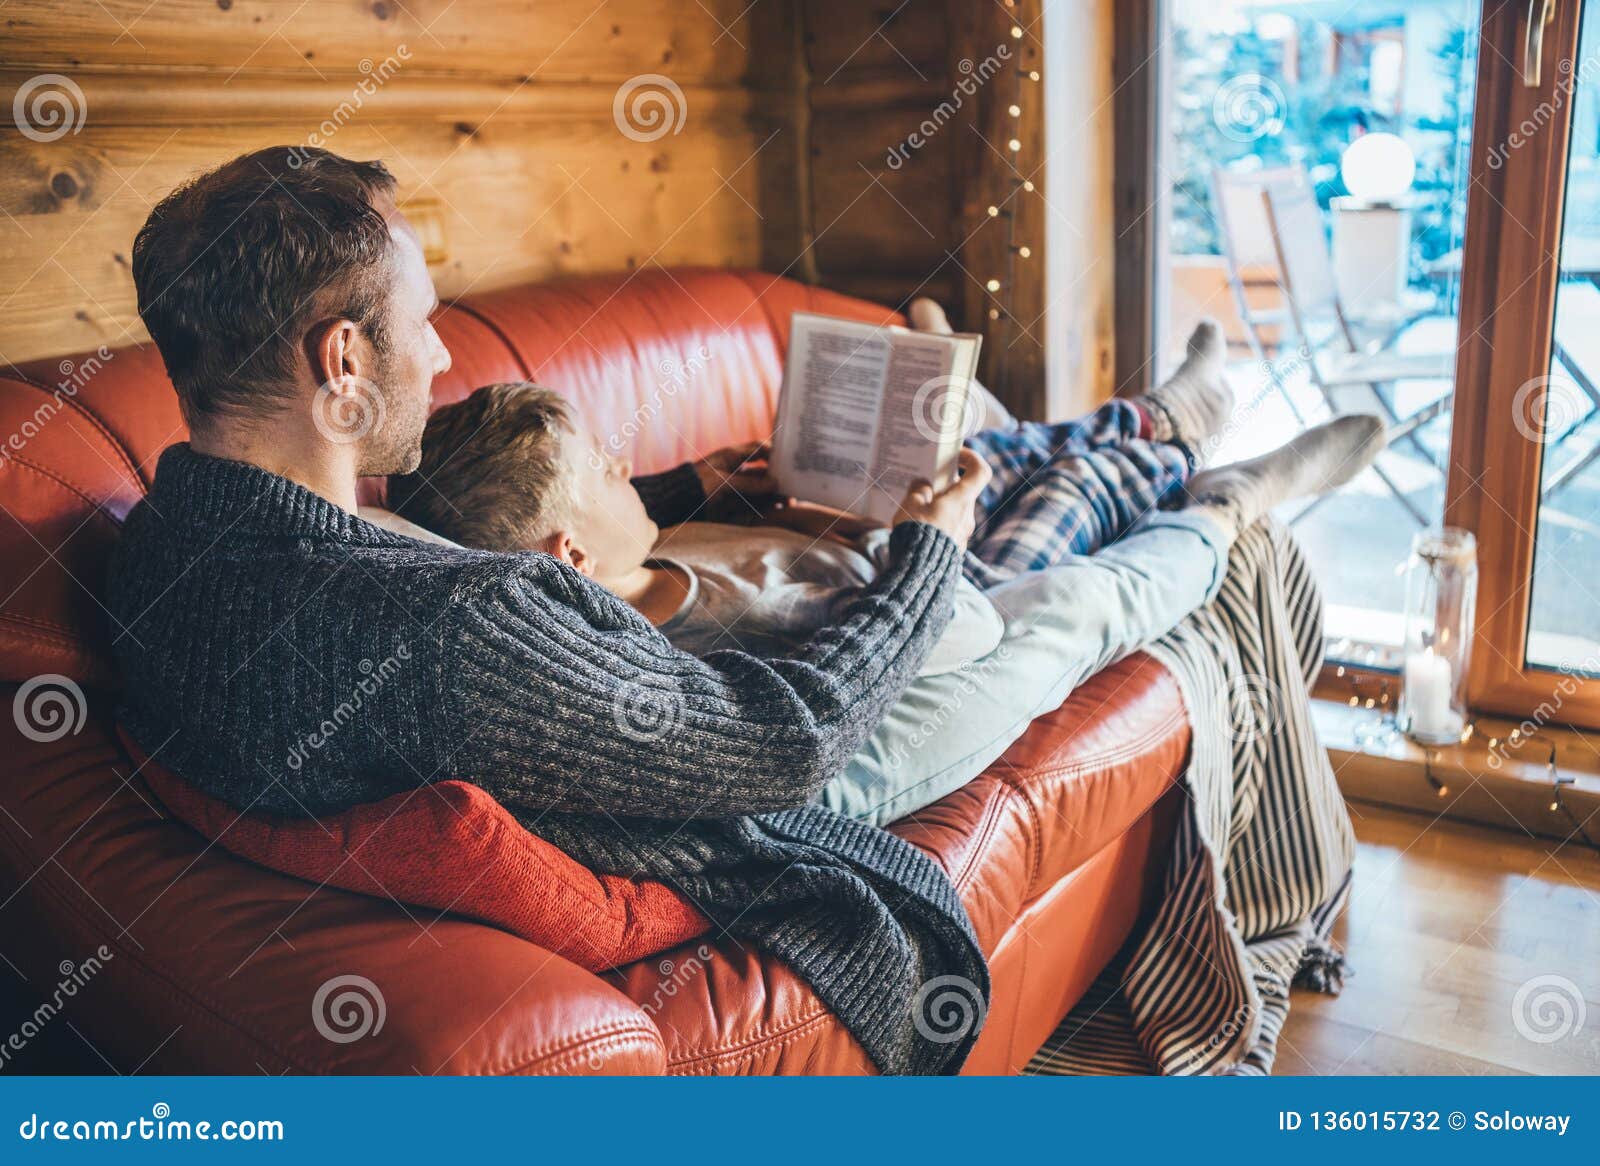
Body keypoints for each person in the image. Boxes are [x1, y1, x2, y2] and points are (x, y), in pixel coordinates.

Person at [108, 145, 995, 1076]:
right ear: (344, 358)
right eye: (423, 322)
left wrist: (681, 484)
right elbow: (785, 741)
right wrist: (932, 548)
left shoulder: (159, 550)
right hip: (750, 783)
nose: (444, 352)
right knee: (1096, 608)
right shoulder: (453, 628)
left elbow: (411, 542)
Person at [386, 337, 1384, 827]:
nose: (624, 464)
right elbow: (923, 636)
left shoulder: (622, 561)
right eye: (607, 466)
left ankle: (1162, 414)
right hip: (949, 589)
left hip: (886, 546)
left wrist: (732, 488)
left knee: (990, 446)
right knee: (1075, 485)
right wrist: (916, 537)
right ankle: (1224, 481)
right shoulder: (716, 638)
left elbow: (726, 531)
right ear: (569, 556)